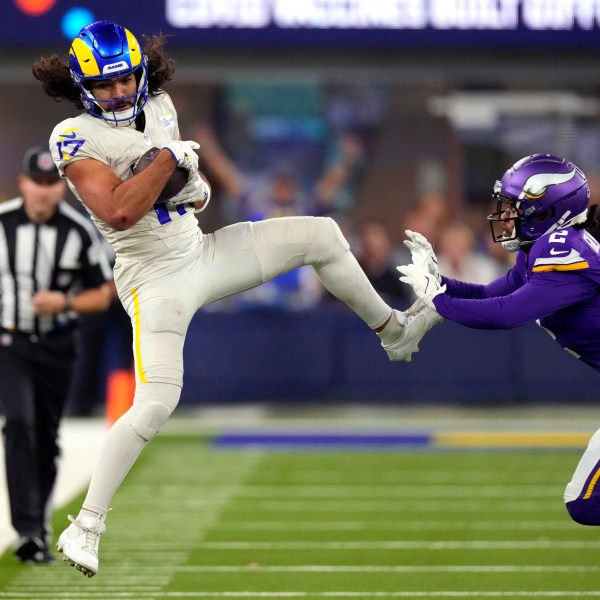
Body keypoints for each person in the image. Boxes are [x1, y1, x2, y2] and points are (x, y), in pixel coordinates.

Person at [32, 20, 440, 577]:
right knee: (157, 400)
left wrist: (189, 179)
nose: (120, 92)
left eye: (126, 78)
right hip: (152, 277)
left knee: (320, 234)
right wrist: (171, 162)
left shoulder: (161, 104)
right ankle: (87, 525)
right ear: (82, 88)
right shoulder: (72, 135)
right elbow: (121, 210)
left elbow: (183, 194)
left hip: (200, 253)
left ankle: (393, 331)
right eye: (105, 85)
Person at [397, 152, 600, 528]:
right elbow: (491, 294)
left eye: (514, 208)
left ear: (546, 210)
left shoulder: (566, 254)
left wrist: (438, 299)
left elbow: (507, 314)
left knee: (586, 502)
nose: (504, 216)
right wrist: (439, 282)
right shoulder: (543, 249)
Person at [0, 147, 112, 564]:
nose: (44, 193)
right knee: (20, 424)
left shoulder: (78, 231)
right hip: (9, 343)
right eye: (38, 184)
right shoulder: (2, 224)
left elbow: (102, 295)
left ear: (61, 189)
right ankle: (27, 530)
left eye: (52, 185)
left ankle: (38, 528)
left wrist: (63, 303)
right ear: (23, 184)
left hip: (57, 346)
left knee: (46, 439)